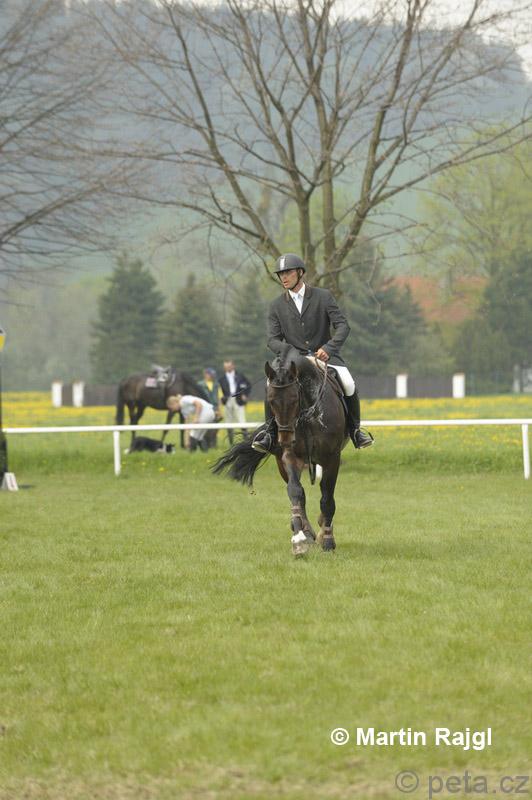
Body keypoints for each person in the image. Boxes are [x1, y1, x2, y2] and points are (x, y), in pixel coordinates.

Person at [252, 253, 374, 453]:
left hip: (323, 356)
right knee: (270, 384)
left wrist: (329, 348)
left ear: (300, 273)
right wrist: (291, 353)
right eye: (281, 274)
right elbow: (272, 340)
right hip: (293, 361)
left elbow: (342, 326)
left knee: (348, 383)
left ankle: (355, 431)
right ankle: (269, 433)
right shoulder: (276, 305)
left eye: (288, 272)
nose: (284, 277)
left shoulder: (323, 296)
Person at [219, 359, 252, 445]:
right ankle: (231, 443)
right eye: (226, 367)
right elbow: (220, 390)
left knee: (242, 420)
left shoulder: (240, 376)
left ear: (233, 366)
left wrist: (245, 394)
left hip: (238, 399)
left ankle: (246, 441)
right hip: (227, 400)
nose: (227, 368)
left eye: (229, 366)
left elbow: (248, 385)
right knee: (228, 421)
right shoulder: (221, 379)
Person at [198, 367, 221, 450]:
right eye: (210, 374)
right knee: (205, 428)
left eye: (212, 375)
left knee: (214, 428)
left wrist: (219, 410)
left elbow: (219, 398)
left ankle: (213, 445)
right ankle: (205, 445)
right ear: (205, 374)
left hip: (215, 408)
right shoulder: (200, 384)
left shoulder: (216, 384)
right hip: (204, 409)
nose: (212, 376)